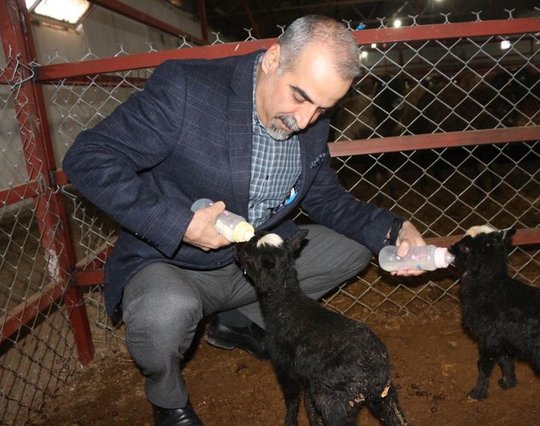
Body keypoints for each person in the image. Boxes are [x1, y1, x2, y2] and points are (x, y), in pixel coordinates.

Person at [63, 14, 426, 426]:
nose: (305, 121)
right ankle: (168, 400)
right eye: (300, 96)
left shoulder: (311, 120)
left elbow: (327, 199)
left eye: (323, 108)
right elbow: (88, 158)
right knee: (161, 316)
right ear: (272, 60)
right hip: (176, 263)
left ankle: (239, 321)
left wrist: (394, 229)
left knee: (355, 248)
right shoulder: (187, 88)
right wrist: (179, 223)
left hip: (253, 262)